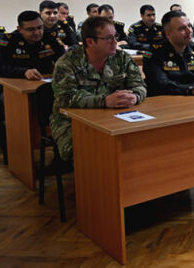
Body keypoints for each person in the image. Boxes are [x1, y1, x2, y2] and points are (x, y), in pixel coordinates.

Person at [50, 16, 146, 162]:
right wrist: (103, 101)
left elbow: (139, 85)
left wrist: (135, 97)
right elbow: (66, 98)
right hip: (72, 120)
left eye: (115, 37)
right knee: (87, 150)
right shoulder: (67, 63)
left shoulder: (122, 58)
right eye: (108, 38)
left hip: (114, 116)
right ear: (90, 42)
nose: (115, 42)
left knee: (144, 141)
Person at [143, 10, 194, 96]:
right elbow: (160, 84)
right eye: (182, 28)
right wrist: (191, 89)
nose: (189, 31)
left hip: (193, 100)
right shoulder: (154, 53)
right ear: (168, 34)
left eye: (189, 26)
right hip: (164, 102)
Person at [0, 10, 65, 80]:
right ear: (20, 29)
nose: (37, 32)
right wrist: (24, 72)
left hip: (44, 81)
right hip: (16, 84)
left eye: (39, 28)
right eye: (31, 29)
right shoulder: (8, 41)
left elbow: (65, 60)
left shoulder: (50, 38)